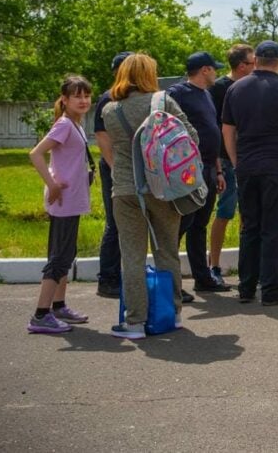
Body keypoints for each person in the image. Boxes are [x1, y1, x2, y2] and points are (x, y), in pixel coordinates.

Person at [98, 53, 195, 340]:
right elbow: (191, 136)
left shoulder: (109, 110)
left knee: (132, 255)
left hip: (126, 188)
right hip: (164, 187)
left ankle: (135, 323)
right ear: (149, 74)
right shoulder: (163, 101)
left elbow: (114, 149)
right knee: (167, 251)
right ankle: (172, 314)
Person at [222, 40, 278, 306]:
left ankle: (246, 287)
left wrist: (238, 162)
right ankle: (271, 288)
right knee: (273, 227)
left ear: (256, 60)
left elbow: (228, 130)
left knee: (250, 227)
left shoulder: (235, 88)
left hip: (247, 167)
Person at [26, 75, 95, 333]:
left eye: (86, 96)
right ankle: (41, 315)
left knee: (67, 254)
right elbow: (35, 153)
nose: (83, 100)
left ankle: (59, 306)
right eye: (77, 96)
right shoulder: (65, 125)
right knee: (59, 257)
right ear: (64, 100)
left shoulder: (75, 124)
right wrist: (53, 184)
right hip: (65, 200)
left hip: (74, 199)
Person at [168, 51, 231, 296]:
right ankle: (172, 283)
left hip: (208, 168)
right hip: (188, 169)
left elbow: (211, 131)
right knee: (182, 223)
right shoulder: (177, 93)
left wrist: (218, 170)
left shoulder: (206, 95)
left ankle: (202, 278)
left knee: (200, 224)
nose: (216, 73)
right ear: (205, 70)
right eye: (213, 69)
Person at [208, 44, 256, 286]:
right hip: (226, 158)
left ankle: (247, 267)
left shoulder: (251, 86)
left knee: (248, 214)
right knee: (225, 211)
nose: (256, 66)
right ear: (241, 66)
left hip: (248, 156)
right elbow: (216, 125)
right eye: (253, 62)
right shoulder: (220, 89)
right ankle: (213, 265)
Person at [92, 51, 131, 298]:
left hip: (129, 168)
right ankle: (107, 279)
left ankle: (122, 275)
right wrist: (116, 169)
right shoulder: (109, 98)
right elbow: (103, 139)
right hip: (115, 169)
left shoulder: (129, 97)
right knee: (115, 223)